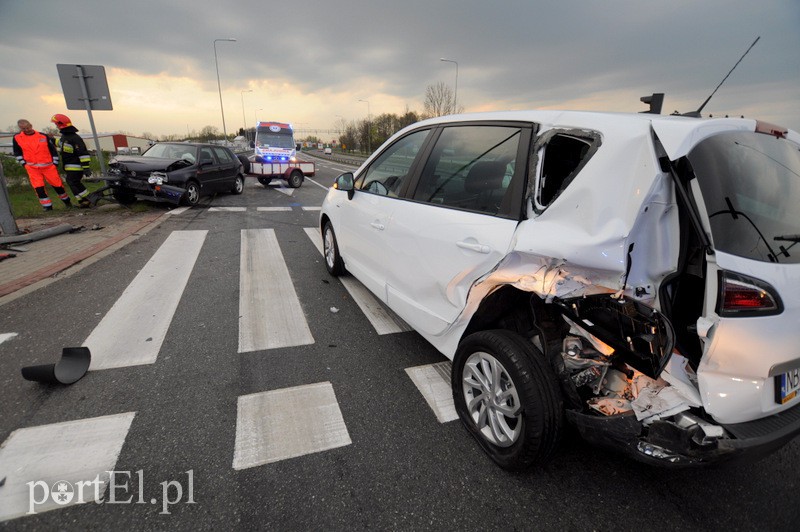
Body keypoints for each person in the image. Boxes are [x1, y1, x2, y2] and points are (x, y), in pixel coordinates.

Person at [12, 119, 72, 211]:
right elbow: (17, 152)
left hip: (48, 166)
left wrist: (55, 163)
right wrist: (24, 164)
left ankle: (67, 202)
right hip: (32, 168)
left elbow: (53, 150)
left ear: (31, 125)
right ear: (20, 128)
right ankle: (47, 207)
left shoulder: (42, 136)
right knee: (38, 188)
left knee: (58, 186)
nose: (27, 130)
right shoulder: (17, 138)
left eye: (27, 127)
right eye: (24, 129)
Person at [51, 113, 93, 208]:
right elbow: (62, 144)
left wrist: (86, 167)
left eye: (56, 124)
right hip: (69, 166)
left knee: (73, 182)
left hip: (76, 166)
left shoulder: (74, 138)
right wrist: (53, 140)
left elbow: (83, 153)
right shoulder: (65, 137)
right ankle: (83, 201)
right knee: (72, 182)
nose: (56, 126)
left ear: (60, 124)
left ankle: (88, 198)